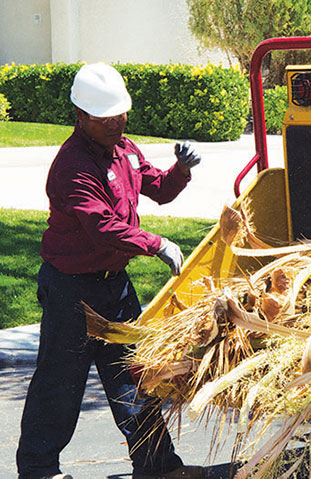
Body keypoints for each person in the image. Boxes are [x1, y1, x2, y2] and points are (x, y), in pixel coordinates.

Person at [16, 63, 205, 479]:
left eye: (120, 115)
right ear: (81, 117)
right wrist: (156, 244)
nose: (116, 124)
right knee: (60, 386)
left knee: (136, 378)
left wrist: (181, 171)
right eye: (105, 119)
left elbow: (157, 187)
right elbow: (102, 227)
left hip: (113, 288)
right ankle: (39, 471)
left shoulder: (125, 148)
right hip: (71, 292)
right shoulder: (72, 167)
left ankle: (157, 467)